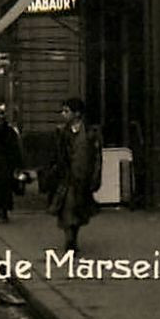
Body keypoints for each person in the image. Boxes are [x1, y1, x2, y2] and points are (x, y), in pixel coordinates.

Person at [46, 96, 104, 252]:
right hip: (66, 178)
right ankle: (70, 240)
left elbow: (97, 157)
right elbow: (55, 155)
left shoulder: (91, 133)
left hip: (83, 178)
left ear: (77, 114)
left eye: (67, 111)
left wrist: (96, 177)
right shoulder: (61, 132)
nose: (63, 114)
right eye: (63, 111)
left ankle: (73, 237)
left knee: (78, 211)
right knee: (67, 210)